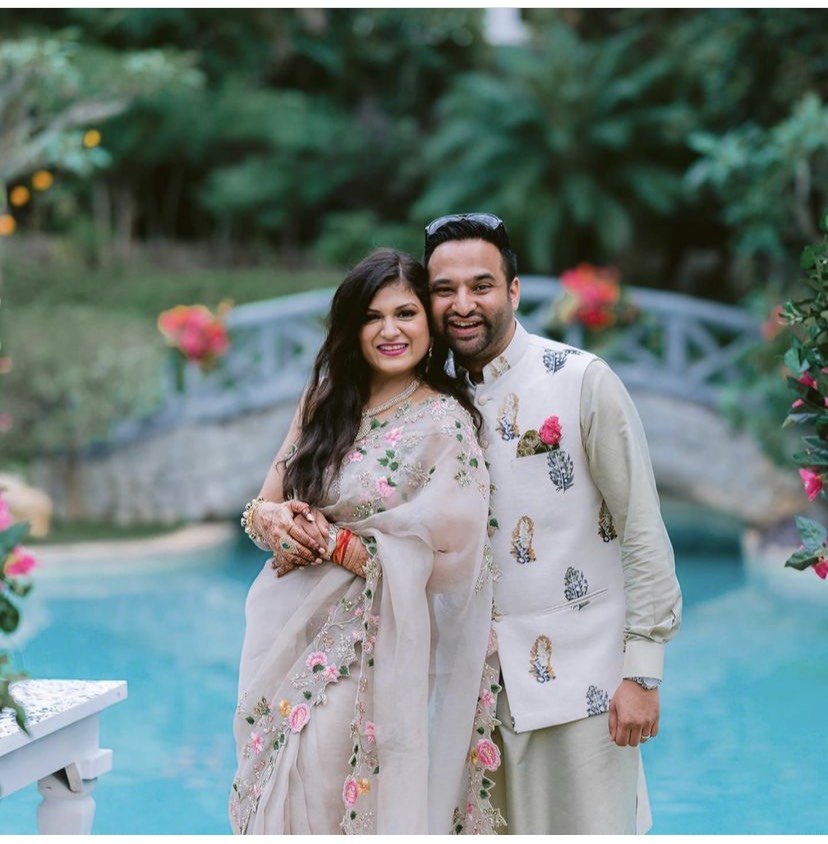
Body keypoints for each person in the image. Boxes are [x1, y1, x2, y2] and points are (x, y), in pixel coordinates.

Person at [422, 213, 683, 835]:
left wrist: (642, 672)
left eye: (481, 285)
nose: (463, 304)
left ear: (514, 291)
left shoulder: (583, 381)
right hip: (470, 696)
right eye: (444, 290)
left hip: (585, 691)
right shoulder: (429, 403)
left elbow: (643, 528)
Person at [229, 248, 503, 835]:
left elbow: (453, 561)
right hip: (282, 637)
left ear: (428, 323)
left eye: (405, 313)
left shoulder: (446, 423)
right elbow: (262, 504)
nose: (389, 331)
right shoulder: (325, 402)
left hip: (366, 650)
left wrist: (333, 544)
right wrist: (272, 524)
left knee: (328, 789)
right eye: (372, 317)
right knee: (273, 792)